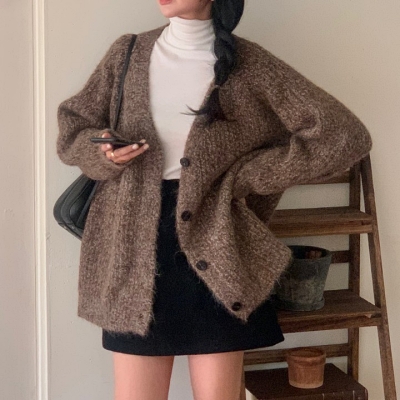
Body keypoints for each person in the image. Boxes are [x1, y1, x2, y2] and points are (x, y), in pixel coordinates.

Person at [56, 0, 373, 399]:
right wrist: (101, 151)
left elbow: (344, 136)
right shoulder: (127, 54)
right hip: (132, 251)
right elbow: (73, 127)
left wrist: (247, 175)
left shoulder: (250, 64)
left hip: (216, 247)